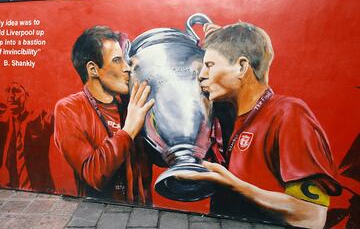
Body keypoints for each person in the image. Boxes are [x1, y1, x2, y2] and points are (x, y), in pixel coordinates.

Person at [177, 22, 342, 229]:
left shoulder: (289, 114)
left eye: (209, 65)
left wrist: (235, 186)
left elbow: (311, 215)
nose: (202, 74)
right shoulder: (224, 118)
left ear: (242, 66)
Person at [54, 26, 154, 204]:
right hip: (101, 212)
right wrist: (129, 130)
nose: (127, 68)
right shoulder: (69, 110)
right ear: (93, 70)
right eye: (117, 60)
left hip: (144, 210)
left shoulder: (130, 103)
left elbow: (161, 155)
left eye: (125, 60)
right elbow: (94, 175)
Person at [0, 82, 54, 191]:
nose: (11, 96)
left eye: (16, 91)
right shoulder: (4, 125)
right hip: (10, 187)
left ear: (27, 95)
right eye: (8, 91)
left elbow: (59, 119)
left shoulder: (40, 119)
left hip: (39, 188)